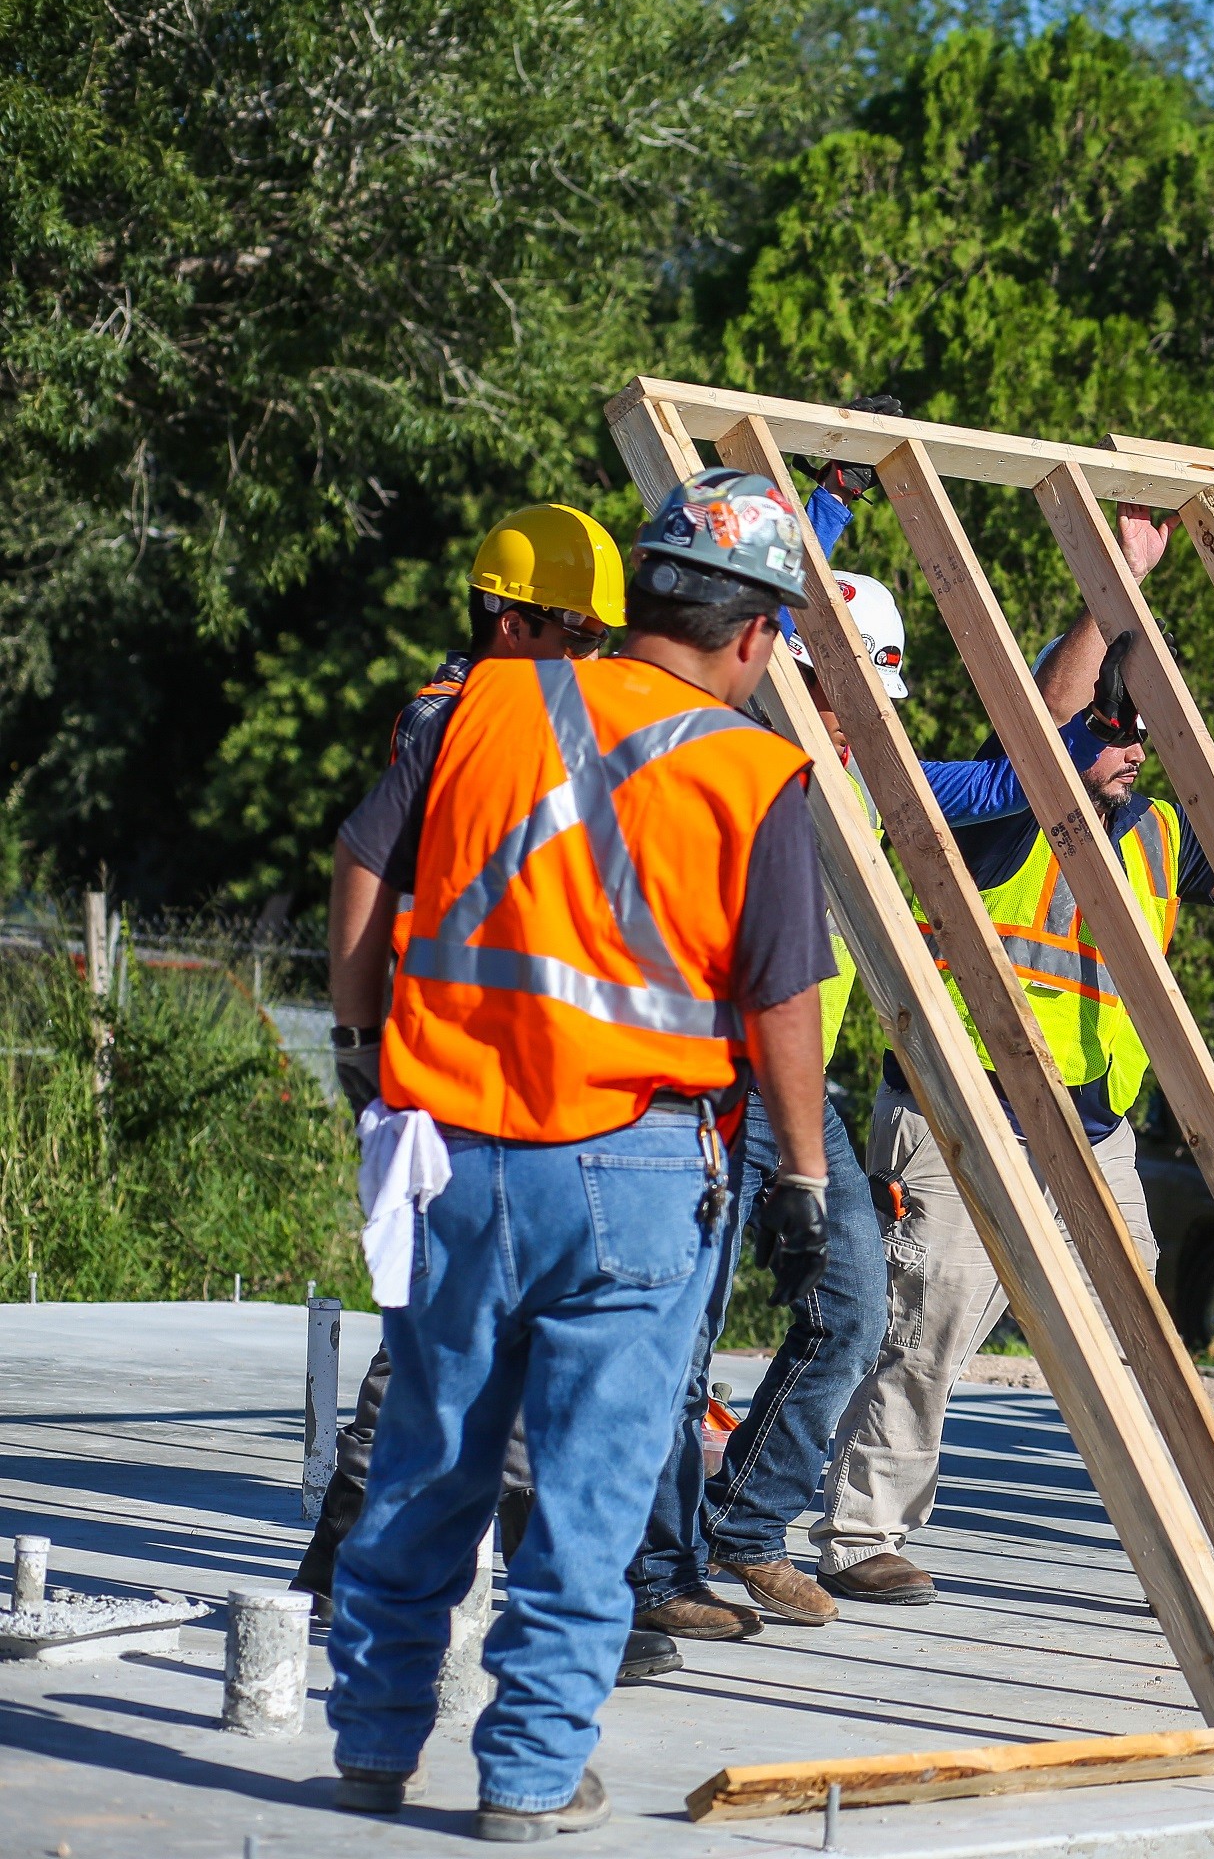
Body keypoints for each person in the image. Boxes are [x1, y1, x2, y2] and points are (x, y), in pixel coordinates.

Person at [323, 466, 835, 1841]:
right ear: (753, 635)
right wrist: (804, 1174)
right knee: (590, 1496)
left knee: (433, 1460)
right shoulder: (752, 769)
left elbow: (364, 862)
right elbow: (784, 996)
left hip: (456, 1151)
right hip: (636, 1169)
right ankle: (531, 1779)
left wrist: (364, 1032)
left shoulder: (484, 701)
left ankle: (372, 1743)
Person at [811, 510, 1214, 1604]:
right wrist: (1113, 585)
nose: (1126, 743)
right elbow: (1048, 716)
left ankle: (1204, 1530)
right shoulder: (1003, 804)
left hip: (1093, 1125)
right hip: (958, 1109)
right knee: (927, 1331)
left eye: (1141, 730)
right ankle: (860, 1534)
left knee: (1138, 1348)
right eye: (1111, 723)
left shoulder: (1159, 833)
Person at [295, 504, 625, 1632]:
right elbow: (363, 856)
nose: (591, 656)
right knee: (437, 1346)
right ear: (506, 617)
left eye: (598, 636)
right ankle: (338, 1574)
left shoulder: (561, 716)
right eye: (570, 632)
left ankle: (552, 1601)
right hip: (457, 1073)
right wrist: (354, 1034)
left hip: (550, 1077)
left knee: (544, 1348)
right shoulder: (459, 719)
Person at [621, 571, 914, 1646]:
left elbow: (1013, 772)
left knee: (853, 1309)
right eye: (862, 689)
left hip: (797, 1093)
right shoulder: (738, 744)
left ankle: (744, 1520)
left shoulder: (869, 781)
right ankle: (657, 1572)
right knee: (677, 1347)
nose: (874, 717)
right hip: (702, 1084)